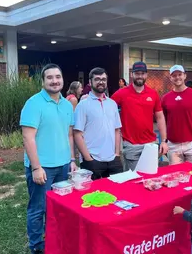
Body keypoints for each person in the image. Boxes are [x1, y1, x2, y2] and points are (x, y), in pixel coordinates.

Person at [20, 63, 77, 254]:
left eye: (58, 77)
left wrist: (72, 160)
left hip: (63, 166)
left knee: (59, 207)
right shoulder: (33, 103)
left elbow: (69, 135)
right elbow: (28, 137)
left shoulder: (68, 104)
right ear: (43, 81)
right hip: (42, 167)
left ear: (62, 79)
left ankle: (55, 239)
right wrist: (36, 167)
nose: (54, 81)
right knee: (38, 209)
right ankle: (36, 246)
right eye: (50, 77)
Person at [111, 61, 168, 171]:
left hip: (150, 144)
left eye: (142, 73)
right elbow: (107, 105)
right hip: (131, 145)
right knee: (133, 180)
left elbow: (160, 118)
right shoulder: (122, 93)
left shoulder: (153, 93)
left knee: (150, 178)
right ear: (132, 74)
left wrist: (164, 141)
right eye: (137, 73)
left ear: (146, 75)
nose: (140, 76)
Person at [74, 67, 123, 179]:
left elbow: (117, 130)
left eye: (103, 79)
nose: (101, 82)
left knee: (117, 193)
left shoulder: (112, 104)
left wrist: (117, 154)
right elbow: (77, 134)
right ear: (90, 82)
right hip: (92, 159)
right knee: (92, 195)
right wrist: (88, 158)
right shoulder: (83, 105)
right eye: (97, 79)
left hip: (113, 159)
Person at [161, 65, 192, 164]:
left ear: (185, 76)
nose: (177, 77)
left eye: (180, 74)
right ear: (170, 78)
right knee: (176, 177)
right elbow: (162, 122)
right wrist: (164, 141)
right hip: (173, 145)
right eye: (174, 75)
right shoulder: (165, 98)